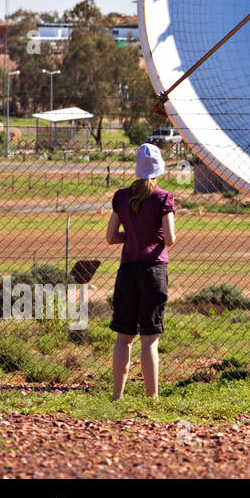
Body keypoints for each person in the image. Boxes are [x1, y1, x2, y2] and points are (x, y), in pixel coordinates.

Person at [105, 143, 176, 400]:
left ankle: (116, 396)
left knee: (124, 338)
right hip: (154, 271)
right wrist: (150, 236)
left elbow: (111, 237)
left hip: (127, 272)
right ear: (158, 169)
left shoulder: (121, 197)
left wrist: (132, 237)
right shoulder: (163, 198)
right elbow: (170, 239)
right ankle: (152, 397)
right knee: (149, 339)